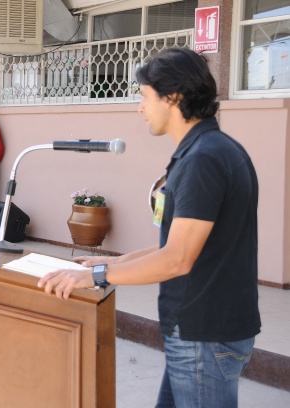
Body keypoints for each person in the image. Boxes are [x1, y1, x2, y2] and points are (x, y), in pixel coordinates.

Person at [38, 48, 260, 408]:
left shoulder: (204, 159)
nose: (139, 108)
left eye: (144, 96)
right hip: (196, 331)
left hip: (204, 334)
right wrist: (107, 264)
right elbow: (174, 246)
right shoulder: (208, 150)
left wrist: (97, 277)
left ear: (173, 97)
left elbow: (177, 260)